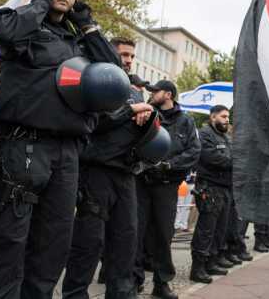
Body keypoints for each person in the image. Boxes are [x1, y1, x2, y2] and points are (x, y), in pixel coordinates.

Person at [0, 0, 122, 299]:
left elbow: (114, 79)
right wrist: (38, 4)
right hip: (24, 147)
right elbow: (4, 31)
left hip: (68, 153)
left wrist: (88, 26)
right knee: (8, 242)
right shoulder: (23, 25)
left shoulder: (78, 40)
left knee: (53, 245)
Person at [62, 38, 155, 299]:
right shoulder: (94, 80)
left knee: (126, 241)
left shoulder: (134, 90)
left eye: (132, 56)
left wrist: (147, 116)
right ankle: (75, 294)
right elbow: (93, 123)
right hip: (96, 173)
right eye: (123, 54)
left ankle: (122, 293)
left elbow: (143, 126)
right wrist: (130, 111)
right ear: (109, 53)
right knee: (89, 243)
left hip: (127, 174)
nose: (128, 60)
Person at [134, 80, 199, 297]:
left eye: (155, 91)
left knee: (163, 235)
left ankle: (162, 283)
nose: (151, 94)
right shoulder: (146, 113)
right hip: (141, 183)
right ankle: (134, 280)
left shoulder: (186, 121)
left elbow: (193, 151)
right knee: (136, 231)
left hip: (167, 186)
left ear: (168, 94)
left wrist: (170, 165)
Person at [189, 105, 235, 283]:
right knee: (205, 230)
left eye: (227, 116)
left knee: (219, 229)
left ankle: (211, 262)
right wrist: (234, 161)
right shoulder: (205, 134)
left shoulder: (225, 136)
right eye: (223, 116)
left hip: (224, 188)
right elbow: (212, 158)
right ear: (213, 117)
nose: (226, 119)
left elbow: (230, 156)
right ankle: (197, 268)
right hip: (210, 187)